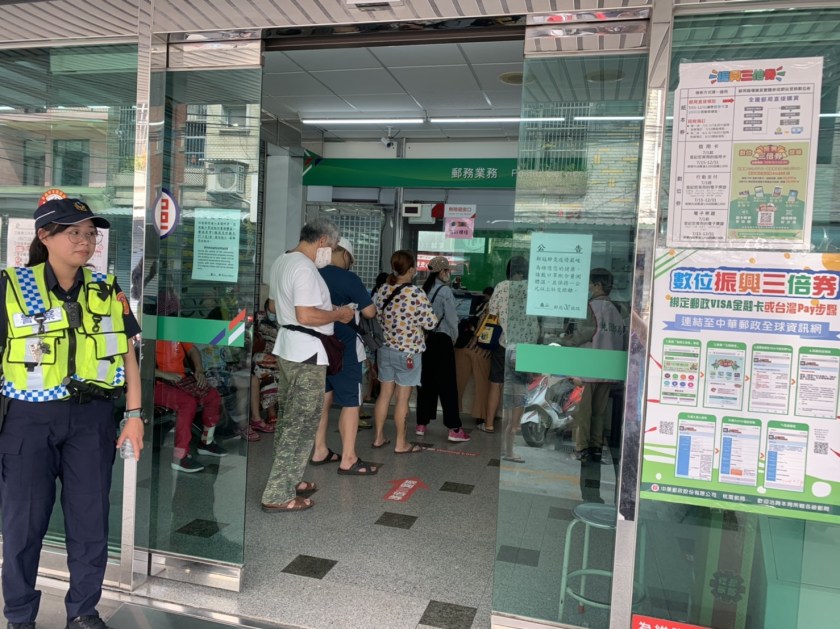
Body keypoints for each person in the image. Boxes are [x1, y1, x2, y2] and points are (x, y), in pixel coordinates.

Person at [0, 198, 143, 629]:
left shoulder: (107, 289)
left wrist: (135, 414)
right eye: (73, 232)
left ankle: (83, 611)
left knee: (90, 520)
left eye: (90, 233)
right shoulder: (12, 286)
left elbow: (129, 355)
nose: (85, 241)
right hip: (29, 419)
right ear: (44, 236)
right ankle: (20, 616)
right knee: (23, 524)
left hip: (91, 419)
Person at [260, 219, 355, 513]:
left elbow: (273, 305)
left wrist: (322, 311)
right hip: (306, 354)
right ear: (323, 241)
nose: (332, 252)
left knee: (289, 420)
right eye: (333, 247)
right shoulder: (303, 267)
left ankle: (290, 480)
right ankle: (278, 493)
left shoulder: (283, 260)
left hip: (289, 348)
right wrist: (338, 315)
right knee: (300, 424)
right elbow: (305, 315)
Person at [311, 238, 378, 475]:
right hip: (345, 349)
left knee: (323, 399)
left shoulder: (312, 273)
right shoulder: (348, 278)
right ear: (346, 255)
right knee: (351, 402)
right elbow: (370, 311)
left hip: (317, 348)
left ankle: (320, 450)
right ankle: (348, 458)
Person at [371, 251, 437, 454]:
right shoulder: (416, 293)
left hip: (385, 350)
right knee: (402, 399)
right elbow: (431, 323)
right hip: (408, 352)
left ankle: (378, 437)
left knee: (384, 395)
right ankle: (401, 443)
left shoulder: (383, 290)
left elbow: (374, 315)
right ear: (410, 270)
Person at [560, 268, 627, 463]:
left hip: (588, 368)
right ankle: (596, 447)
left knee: (583, 413)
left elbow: (584, 334)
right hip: (607, 368)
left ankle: (581, 448)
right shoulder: (618, 309)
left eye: (590, 284)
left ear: (598, 285)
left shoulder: (590, 307)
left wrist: (564, 341)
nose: (588, 288)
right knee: (599, 413)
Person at [485, 256, 540, 463]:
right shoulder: (533, 288)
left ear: (509, 271)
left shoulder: (502, 287)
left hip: (504, 345)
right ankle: (510, 444)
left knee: (496, 385)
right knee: (519, 393)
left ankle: (489, 424)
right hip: (526, 347)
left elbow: (493, 313)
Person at [416, 256, 470, 442]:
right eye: (447, 271)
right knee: (447, 385)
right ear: (441, 272)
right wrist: (453, 339)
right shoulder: (445, 291)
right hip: (442, 340)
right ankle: (454, 428)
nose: (449, 274)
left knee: (426, 382)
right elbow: (452, 319)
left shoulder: (422, 289)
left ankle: (421, 424)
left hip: (425, 341)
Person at [154, 340, 228, 472]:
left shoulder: (176, 331)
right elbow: (139, 366)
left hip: (180, 380)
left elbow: (193, 350)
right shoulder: (150, 334)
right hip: (156, 384)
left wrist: (199, 370)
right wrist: (164, 374)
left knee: (212, 395)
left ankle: (206, 442)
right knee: (187, 404)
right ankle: (180, 457)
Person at [455, 286, 493, 430]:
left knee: (457, 382)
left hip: (462, 345)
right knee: (482, 385)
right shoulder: (495, 307)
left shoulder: (476, 305)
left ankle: (453, 412)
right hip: (481, 350)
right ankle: (480, 416)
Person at [247, 299, 281, 438]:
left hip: (279, 357)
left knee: (276, 372)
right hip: (260, 355)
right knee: (264, 371)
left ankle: (273, 412)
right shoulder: (258, 318)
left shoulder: (285, 321)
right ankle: (271, 412)